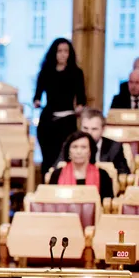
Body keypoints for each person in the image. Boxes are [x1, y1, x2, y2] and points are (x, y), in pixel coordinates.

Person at [33, 38, 86, 175]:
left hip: (67, 121)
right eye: (60, 51)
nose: (63, 54)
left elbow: (81, 98)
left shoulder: (76, 73)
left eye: (66, 51)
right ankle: (45, 185)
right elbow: (37, 95)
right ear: (54, 53)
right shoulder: (46, 72)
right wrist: (37, 101)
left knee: (65, 157)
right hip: (49, 121)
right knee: (48, 158)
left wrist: (80, 108)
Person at [48, 130, 115, 200]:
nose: (79, 151)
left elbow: (108, 204)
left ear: (90, 151)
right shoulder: (56, 175)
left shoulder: (103, 175)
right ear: (68, 151)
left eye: (83, 147)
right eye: (74, 147)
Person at [69, 108, 131, 174]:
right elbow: (59, 166)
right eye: (85, 128)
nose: (89, 133)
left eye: (94, 129)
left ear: (103, 129)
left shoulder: (114, 147)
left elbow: (124, 174)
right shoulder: (71, 144)